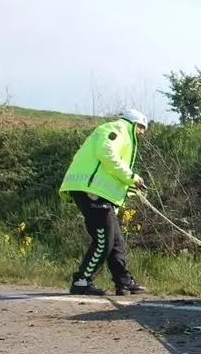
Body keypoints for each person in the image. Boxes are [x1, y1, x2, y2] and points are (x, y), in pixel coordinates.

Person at [58, 110, 150, 296]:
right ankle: (81, 280)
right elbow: (107, 154)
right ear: (134, 123)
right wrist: (132, 177)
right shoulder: (117, 129)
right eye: (141, 128)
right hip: (91, 191)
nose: (142, 133)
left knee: (116, 241)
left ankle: (123, 282)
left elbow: (109, 170)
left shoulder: (124, 134)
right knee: (104, 242)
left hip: (99, 193)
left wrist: (130, 185)